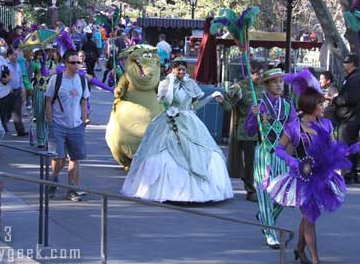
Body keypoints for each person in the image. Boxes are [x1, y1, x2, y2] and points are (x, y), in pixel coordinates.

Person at [266, 69, 360, 264]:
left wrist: (350, 150)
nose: (324, 105)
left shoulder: (327, 125)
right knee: (309, 217)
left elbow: (332, 148)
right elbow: (278, 149)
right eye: (320, 103)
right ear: (311, 105)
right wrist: (293, 161)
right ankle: (315, 259)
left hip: (321, 176)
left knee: (310, 215)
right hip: (301, 178)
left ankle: (300, 248)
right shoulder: (294, 127)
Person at [122, 59, 233, 203]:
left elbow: (195, 106)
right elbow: (165, 102)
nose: (181, 72)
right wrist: (170, 97)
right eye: (178, 69)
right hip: (170, 120)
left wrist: (211, 97)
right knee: (163, 152)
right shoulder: (165, 84)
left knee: (204, 151)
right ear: (172, 70)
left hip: (189, 120)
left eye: (183, 70)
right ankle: (167, 191)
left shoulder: (190, 84)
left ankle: (199, 192)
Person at [245, 68, 299, 249]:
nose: (279, 85)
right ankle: (270, 233)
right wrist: (254, 115)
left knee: (284, 194)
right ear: (267, 85)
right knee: (264, 193)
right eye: (275, 82)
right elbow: (250, 131)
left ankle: (264, 217)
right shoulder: (258, 104)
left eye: (281, 82)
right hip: (264, 154)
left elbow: (294, 130)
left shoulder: (288, 105)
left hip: (281, 154)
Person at [45, 49, 90, 202]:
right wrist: (50, 122)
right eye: (73, 62)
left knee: (75, 159)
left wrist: (84, 121)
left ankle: (72, 189)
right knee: (59, 158)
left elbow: (84, 102)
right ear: (65, 63)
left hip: (76, 125)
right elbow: (48, 102)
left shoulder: (82, 81)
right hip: (58, 124)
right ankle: (53, 178)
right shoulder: (56, 80)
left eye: (78, 62)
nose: (76, 65)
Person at [218, 62, 266, 202]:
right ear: (250, 74)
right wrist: (221, 101)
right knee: (249, 161)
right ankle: (250, 190)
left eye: (262, 74)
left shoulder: (264, 87)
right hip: (247, 129)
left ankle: (265, 187)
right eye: (257, 74)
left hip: (264, 127)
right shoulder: (240, 87)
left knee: (263, 160)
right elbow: (229, 106)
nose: (260, 77)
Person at [331, 54, 360, 183]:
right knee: (349, 146)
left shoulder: (356, 79)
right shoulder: (353, 78)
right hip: (349, 118)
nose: (344, 65)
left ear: (352, 64)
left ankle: (347, 173)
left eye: (346, 62)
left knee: (345, 146)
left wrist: (335, 99)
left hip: (350, 119)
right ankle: (350, 172)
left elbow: (350, 98)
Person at [5, 48, 27, 136]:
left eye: (16, 55)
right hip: (8, 91)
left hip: (17, 90)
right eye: (14, 55)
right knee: (7, 111)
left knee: (16, 110)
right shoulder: (5, 64)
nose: (16, 56)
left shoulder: (17, 64)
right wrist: (8, 87)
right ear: (9, 55)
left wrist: (22, 88)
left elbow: (20, 76)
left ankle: (20, 130)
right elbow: (4, 77)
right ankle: (1, 125)